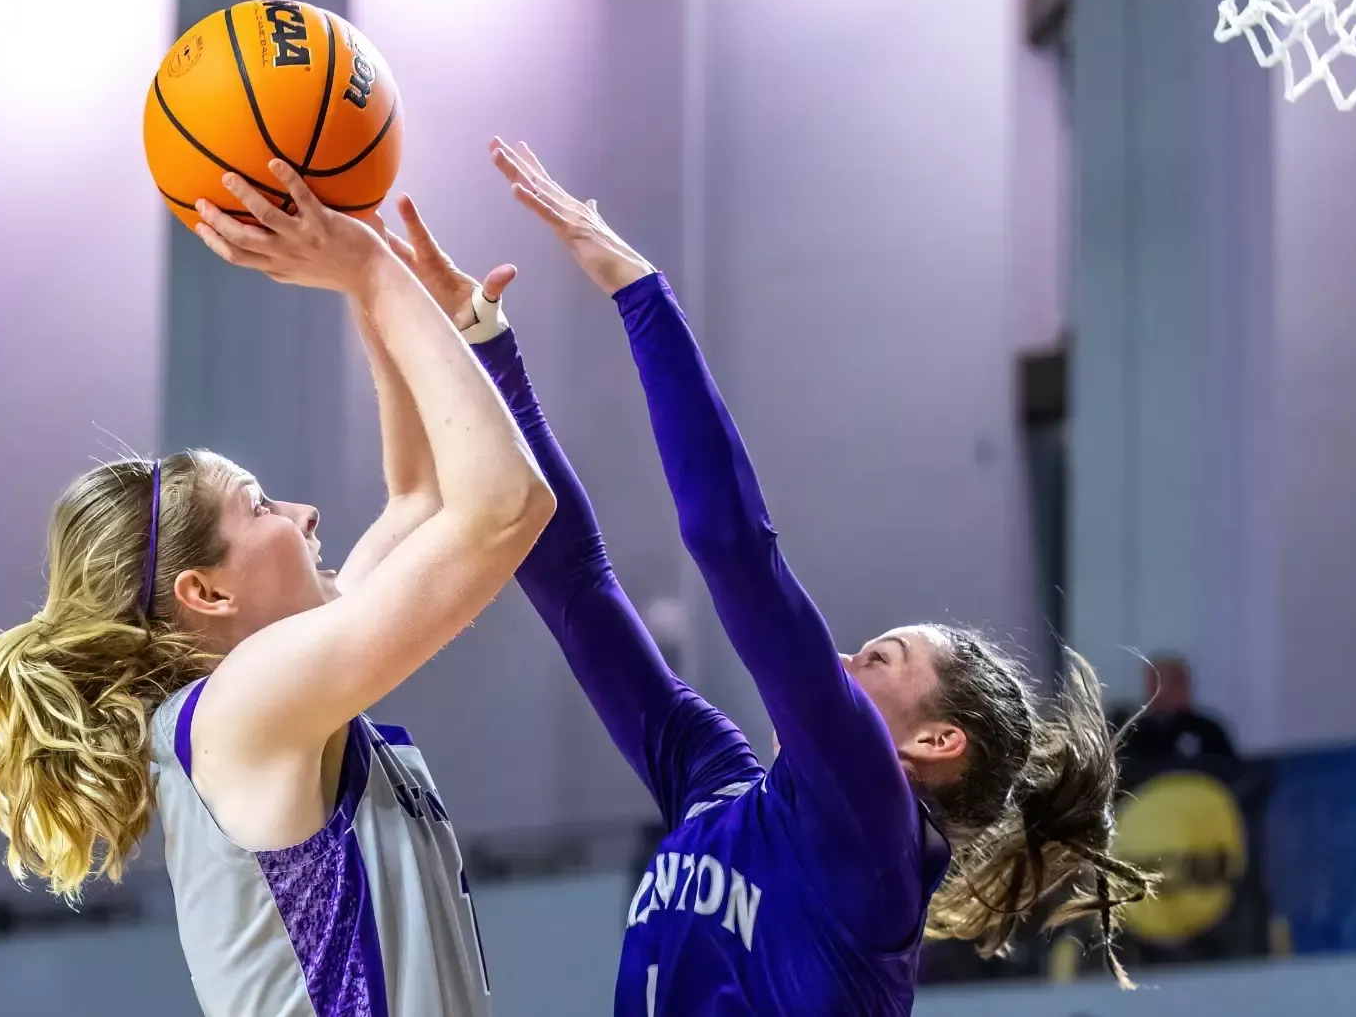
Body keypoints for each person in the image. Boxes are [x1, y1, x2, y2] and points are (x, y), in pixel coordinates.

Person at [395, 138, 1155, 1014]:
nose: (840, 660)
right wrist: (488, 354)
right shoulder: (715, 783)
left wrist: (639, 293)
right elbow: (574, 586)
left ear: (934, 743)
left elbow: (733, 546)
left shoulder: (876, 828)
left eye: (881, 656)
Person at [0, 160, 554, 1017]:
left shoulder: (266, 694)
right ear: (208, 592)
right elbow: (506, 509)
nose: (303, 513)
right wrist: (368, 271)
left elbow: (424, 496)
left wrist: (371, 269)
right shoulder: (241, 708)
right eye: (259, 505)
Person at [1114, 654, 1237, 762]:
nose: (1165, 689)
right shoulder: (1128, 730)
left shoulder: (1208, 731)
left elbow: (1229, 774)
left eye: (1176, 681)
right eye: (1155, 680)